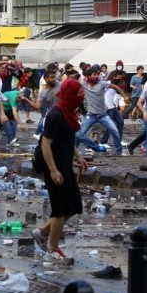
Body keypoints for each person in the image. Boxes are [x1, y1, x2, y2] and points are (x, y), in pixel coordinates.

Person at [31, 79, 88, 259]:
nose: (80, 100)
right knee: (60, 209)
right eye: (78, 96)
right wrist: (54, 170)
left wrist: (78, 156)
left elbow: (66, 140)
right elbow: (46, 144)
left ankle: (43, 232)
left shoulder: (68, 113)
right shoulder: (56, 114)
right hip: (54, 167)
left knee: (74, 206)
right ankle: (52, 249)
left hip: (65, 165)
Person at [76, 65, 129, 155]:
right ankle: (74, 151)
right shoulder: (84, 84)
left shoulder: (102, 83)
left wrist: (125, 96)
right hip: (90, 115)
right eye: (94, 74)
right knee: (80, 134)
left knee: (115, 131)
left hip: (103, 115)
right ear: (88, 76)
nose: (96, 76)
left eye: (97, 74)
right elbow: (75, 88)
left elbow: (116, 87)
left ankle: (119, 151)